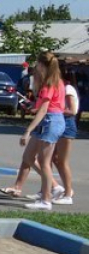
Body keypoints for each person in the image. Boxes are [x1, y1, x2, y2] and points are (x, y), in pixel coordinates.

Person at [0, 51, 66, 211]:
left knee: (44, 163)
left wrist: (27, 131)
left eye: (37, 64)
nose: (36, 67)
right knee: (28, 157)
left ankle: (46, 200)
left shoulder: (49, 84)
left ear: (42, 65)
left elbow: (44, 110)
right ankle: (55, 187)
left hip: (50, 122)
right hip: (51, 120)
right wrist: (33, 107)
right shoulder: (57, 82)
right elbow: (48, 106)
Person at [49, 60, 79, 206]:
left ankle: (68, 194)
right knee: (52, 158)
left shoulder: (67, 89)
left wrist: (53, 109)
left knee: (62, 161)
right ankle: (53, 189)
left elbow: (72, 110)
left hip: (67, 125)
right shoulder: (61, 87)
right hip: (59, 123)